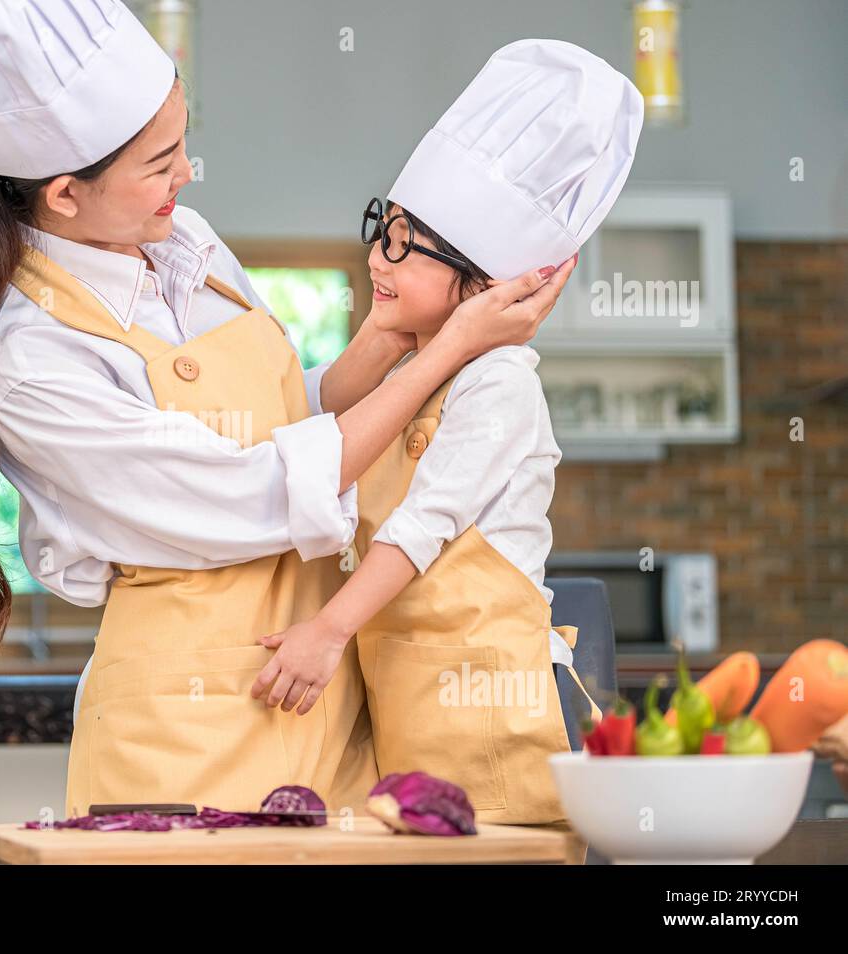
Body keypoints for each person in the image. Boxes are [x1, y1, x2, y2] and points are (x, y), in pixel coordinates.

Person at [0, 1, 574, 814]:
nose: (186, 174)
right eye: (160, 160)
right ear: (66, 194)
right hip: (182, 738)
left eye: (183, 140)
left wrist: (391, 336)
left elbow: (291, 419)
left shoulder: (185, 240)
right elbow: (261, 490)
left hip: (321, 707)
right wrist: (450, 349)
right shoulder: (31, 360)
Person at [252, 39, 643, 824]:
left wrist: (328, 630)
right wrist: (389, 334)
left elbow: (424, 522)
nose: (376, 256)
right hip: (414, 703)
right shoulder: (417, 373)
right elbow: (310, 433)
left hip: (502, 712)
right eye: (380, 228)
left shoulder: (499, 383)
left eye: (404, 244)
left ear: (482, 281)